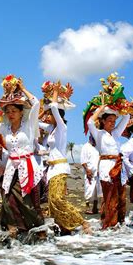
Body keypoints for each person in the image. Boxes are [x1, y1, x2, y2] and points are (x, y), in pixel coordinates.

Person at [0, 77, 44, 238]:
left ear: (21, 112)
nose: (10, 114)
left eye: (14, 111)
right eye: (7, 111)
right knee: (8, 198)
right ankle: (16, 230)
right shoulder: (5, 128)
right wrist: (0, 100)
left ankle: (40, 231)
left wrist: (22, 88)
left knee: (29, 201)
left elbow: (36, 103)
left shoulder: (29, 125)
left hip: (28, 167)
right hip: (11, 168)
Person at [42, 82, 91, 234]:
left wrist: (56, 94)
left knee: (57, 199)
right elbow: (33, 123)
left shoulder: (62, 127)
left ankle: (82, 221)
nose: (47, 116)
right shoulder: (50, 129)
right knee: (52, 203)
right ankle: (64, 229)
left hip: (60, 168)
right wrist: (45, 108)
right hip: (51, 169)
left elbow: (55, 108)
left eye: (49, 114)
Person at [87, 104, 130, 229]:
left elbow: (126, 116)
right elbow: (90, 122)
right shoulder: (99, 134)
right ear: (103, 121)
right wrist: (100, 110)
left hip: (118, 166)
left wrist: (119, 106)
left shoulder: (116, 133)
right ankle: (110, 224)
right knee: (110, 196)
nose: (112, 123)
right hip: (106, 166)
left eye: (114, 121)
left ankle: (119, 222)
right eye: (109, 120)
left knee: (121, 196)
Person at [81, 135, 100, 214]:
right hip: (89, 172)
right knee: (88, 190)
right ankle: (87, 207)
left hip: (97, 173)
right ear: (90, 137)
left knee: (96, 191)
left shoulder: (98, 147)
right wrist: (87, 170)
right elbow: (83, 160)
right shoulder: (85, 147)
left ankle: (95, 208)